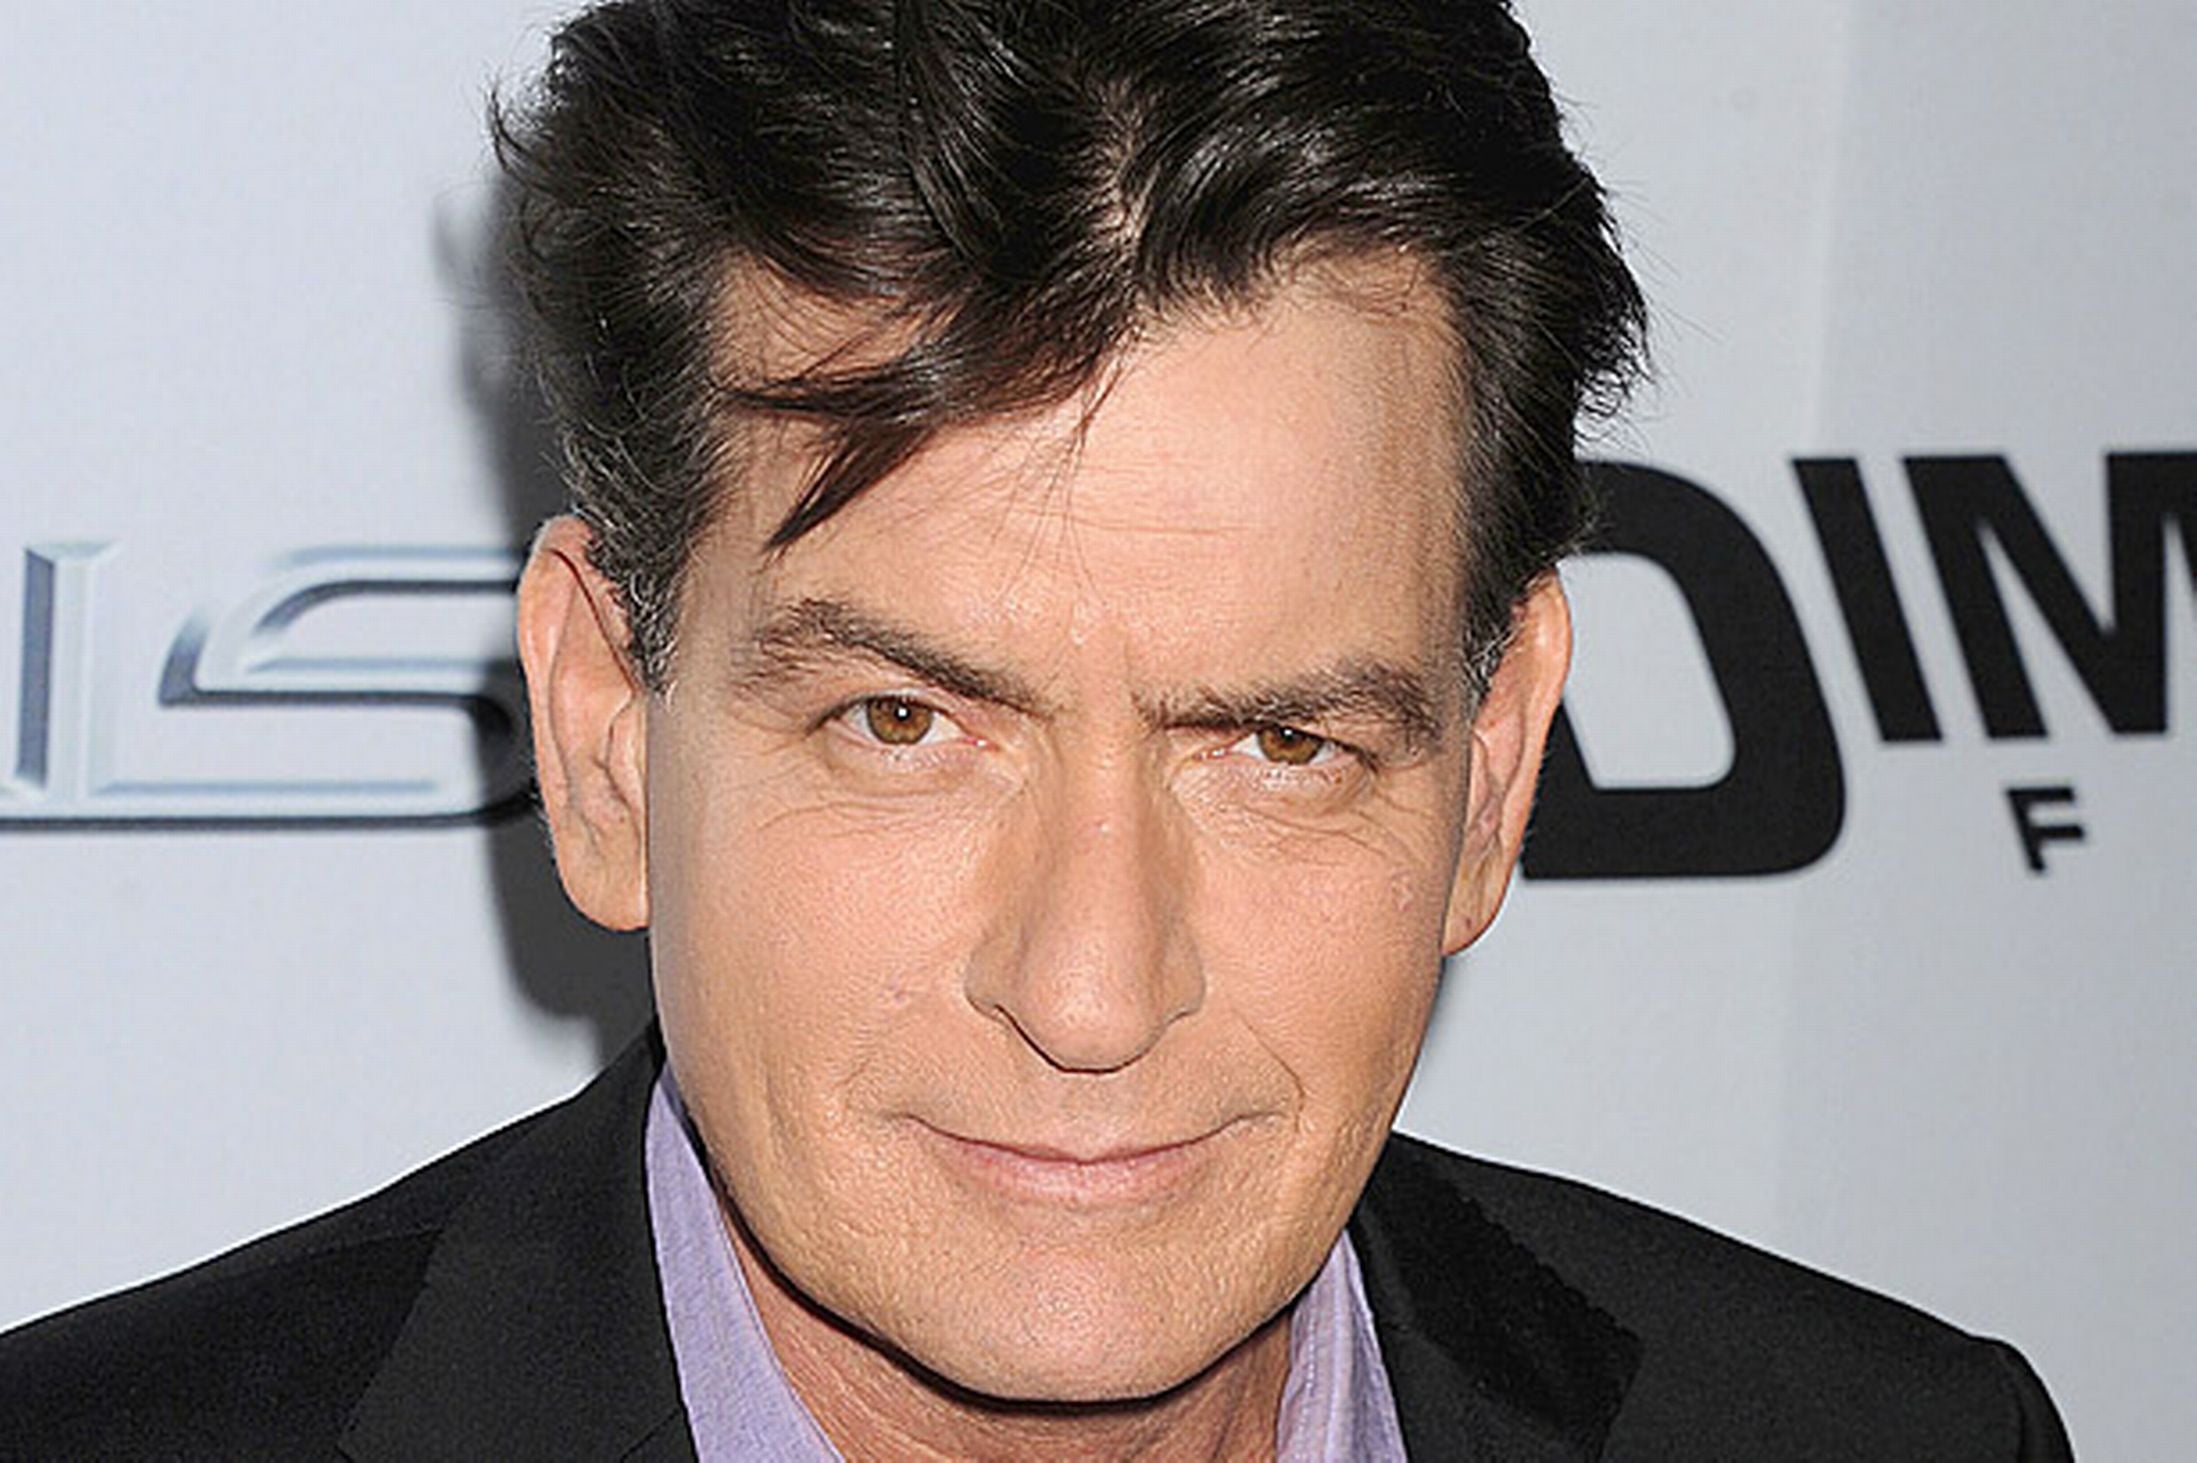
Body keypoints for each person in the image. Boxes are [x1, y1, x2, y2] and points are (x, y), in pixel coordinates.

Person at [0, 1, 2072, 1457]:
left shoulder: (1889, 1438)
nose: (1091, 992)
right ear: (608, 736)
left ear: (1493, 771)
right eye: (903, 722)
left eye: (1277, 746)